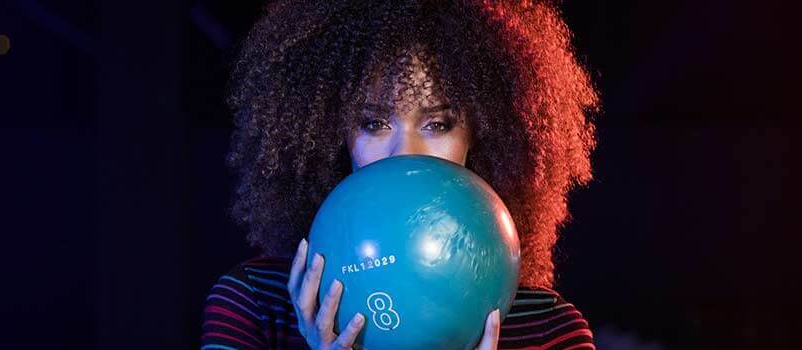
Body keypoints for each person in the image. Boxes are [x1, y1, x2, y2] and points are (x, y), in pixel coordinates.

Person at [201, 0, 600, 349]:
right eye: (374, 123)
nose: (406, 154)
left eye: (438, 124)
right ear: (334, 135)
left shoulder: (550, 329)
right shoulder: (253, 305)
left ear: (481, 135)